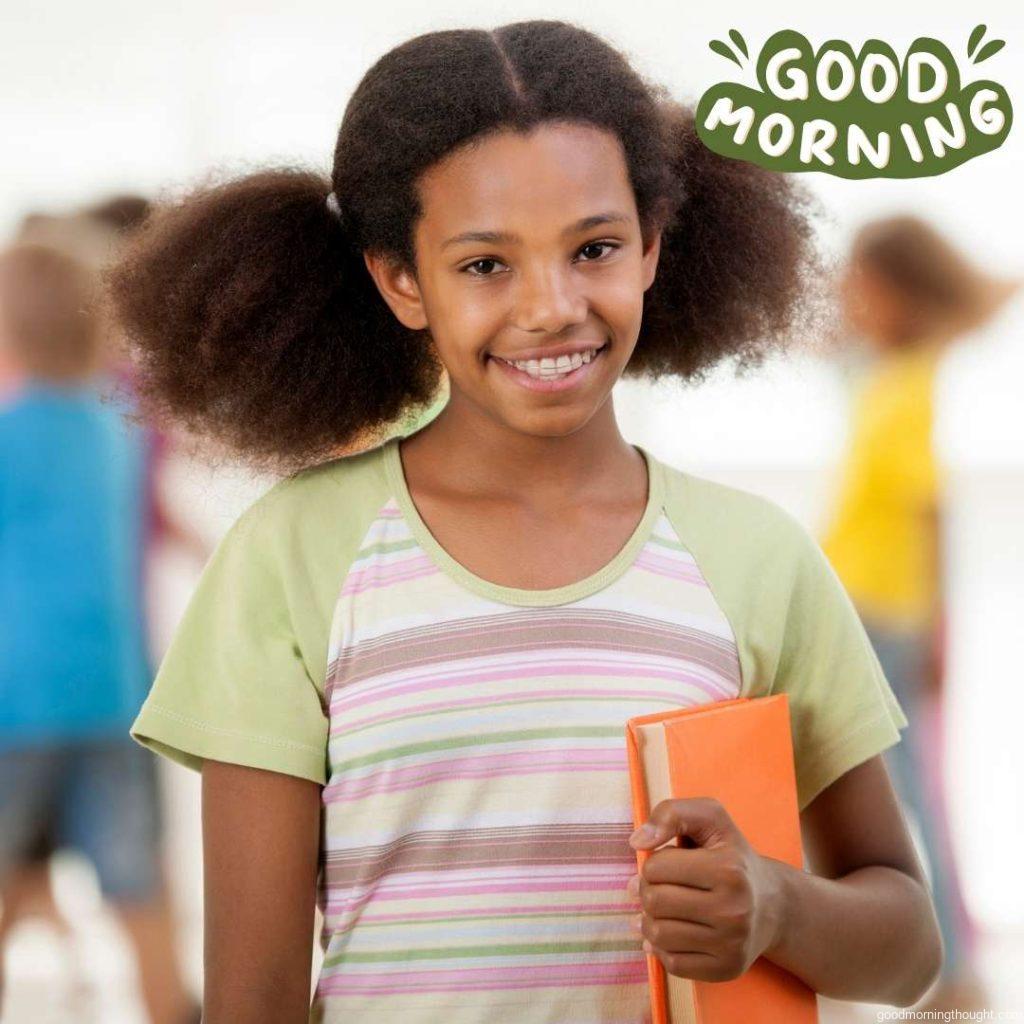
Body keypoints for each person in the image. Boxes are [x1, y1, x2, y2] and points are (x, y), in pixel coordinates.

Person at [106, 20, 944, 1023]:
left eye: (593, 247)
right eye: (484, 265)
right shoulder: (293, 557)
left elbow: (906, 953)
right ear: (398, 279)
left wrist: (775, 904)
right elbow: (253, 998)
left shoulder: (753, 557)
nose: (550, 306)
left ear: (651, 246)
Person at [822, 215, 1020, 1013]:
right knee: (896, 792)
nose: (852, 299)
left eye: (864, 283)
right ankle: (943, 959)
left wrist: (942, 630)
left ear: (898, 290)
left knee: (907, 795)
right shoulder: (884, 371)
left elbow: (932, 514)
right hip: (865, 612)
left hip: (887, 621)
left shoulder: (907, 388)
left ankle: (953, 969)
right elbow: (827, 338)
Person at [0, 243, 200, 1024]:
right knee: (138, 891)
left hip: (15, 704)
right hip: (114, 698)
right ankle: (170, 1011)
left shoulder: (8, 437)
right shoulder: (116, 436)